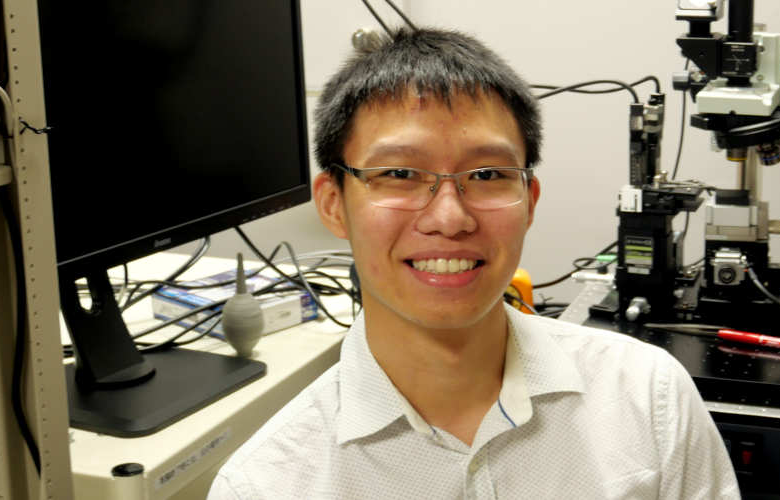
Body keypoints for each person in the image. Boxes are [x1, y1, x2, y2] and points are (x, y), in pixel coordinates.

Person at [209, 26, 740, 500]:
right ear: (333, 204)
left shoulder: (648, 400)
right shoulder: (267, 483)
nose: (450, 217)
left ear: (529, 200)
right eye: (399, 173)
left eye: (487, 176)